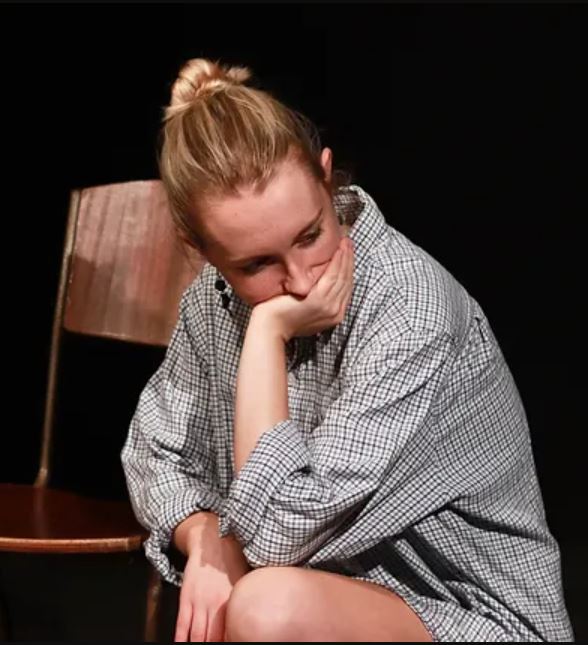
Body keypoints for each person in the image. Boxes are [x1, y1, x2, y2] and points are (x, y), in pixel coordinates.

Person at [121, 58, 573, 642]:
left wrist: (266, 334)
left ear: (327, 177)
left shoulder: (411, 308)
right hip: (331, 593)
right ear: (201, 249)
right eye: (256, 264)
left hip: (474, 617)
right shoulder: (210, 302)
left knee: (265, 609)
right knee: (258, 600)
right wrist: (206, 536)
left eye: (310, 235)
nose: (301, 281)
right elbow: (152, 454)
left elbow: (273, 536)